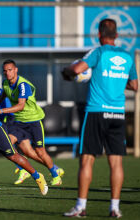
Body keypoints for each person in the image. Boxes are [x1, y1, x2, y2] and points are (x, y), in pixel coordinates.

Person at [61, 18, 138, 218]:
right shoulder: (128, 56)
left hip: (96, 112)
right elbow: (135, 86)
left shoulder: (98, 52)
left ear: (99, 35)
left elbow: (77, 69)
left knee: (86, 160)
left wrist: (67, 72)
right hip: (117, 114)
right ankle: (115, 208)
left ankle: (81, 207)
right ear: (117, 35)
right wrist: (116, 80)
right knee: (116, 163)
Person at [0, 73, 62, 185]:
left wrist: (2, 110)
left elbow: (4, 95)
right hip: (1, 123)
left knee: (8, 145)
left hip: (8, 120)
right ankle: (53, 168)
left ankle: (24, 169)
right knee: (27, 152)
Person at [0, 59, 64, 186]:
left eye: (10, 70)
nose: (7, 73)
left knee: (40, 151)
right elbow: (4, 94)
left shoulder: (23, 85)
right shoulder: (5, 83)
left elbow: (21, 106)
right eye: (5, 71)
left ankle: (55, 174)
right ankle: (23, 168)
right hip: (19, 122)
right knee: (6, 143)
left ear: (16, 70)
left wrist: (0, 110)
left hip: (33, 121)